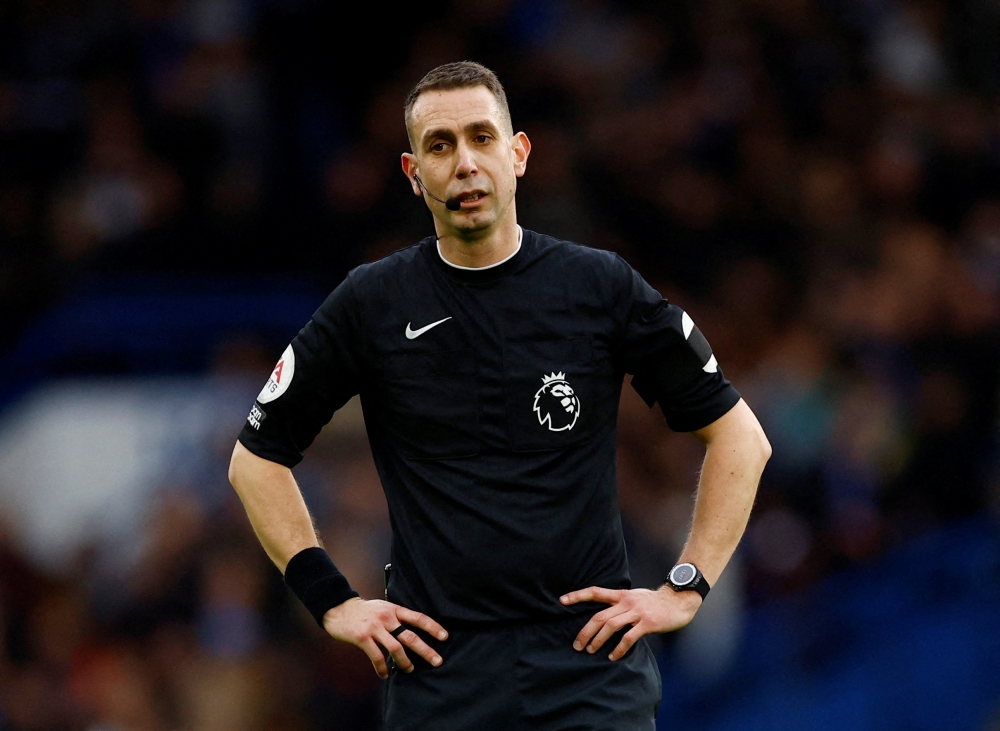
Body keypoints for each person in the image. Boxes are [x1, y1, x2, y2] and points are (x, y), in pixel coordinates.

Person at [228, 61, 771, 730]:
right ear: (412, 171)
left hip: (589, 672)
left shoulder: (599, 287)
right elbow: (255, 458)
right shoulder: (370, 303)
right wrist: (333, 599)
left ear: (518, 154)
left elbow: (741, 435)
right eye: (440, 144)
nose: (464, 163)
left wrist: (685, 587)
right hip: (441, 679)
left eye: (482, 137)